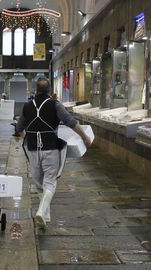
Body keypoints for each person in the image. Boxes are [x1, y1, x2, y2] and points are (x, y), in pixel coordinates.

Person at [16, 78, 92, 229]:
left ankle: (45, 216)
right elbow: (70, 122)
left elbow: (19, 128)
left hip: (32, 149)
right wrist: (85, 137)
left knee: (38, 183)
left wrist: (27, 140)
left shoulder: (27, 105)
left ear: (35, 90)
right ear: (50, 91)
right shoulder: (55, 104)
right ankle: (41, 212)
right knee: (50, 182)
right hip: (50, 148)